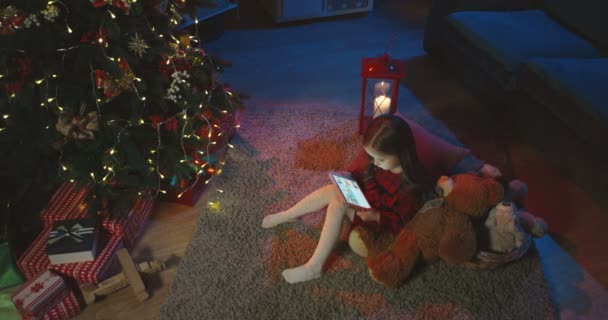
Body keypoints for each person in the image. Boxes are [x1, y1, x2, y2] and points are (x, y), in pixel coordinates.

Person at [261, 114, 435, 284]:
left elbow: (404, 223)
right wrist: (348, 178)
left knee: (337, 205)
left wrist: (377, 216)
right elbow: (367, 176)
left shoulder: (410, 186)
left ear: (401, 153)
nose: (375, 163)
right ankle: (289, 213)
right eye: (372, 157)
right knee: (332, 190)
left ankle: (314, 267)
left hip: (383, 225)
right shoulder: (378, 165)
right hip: (368, 205)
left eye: (380, 159)